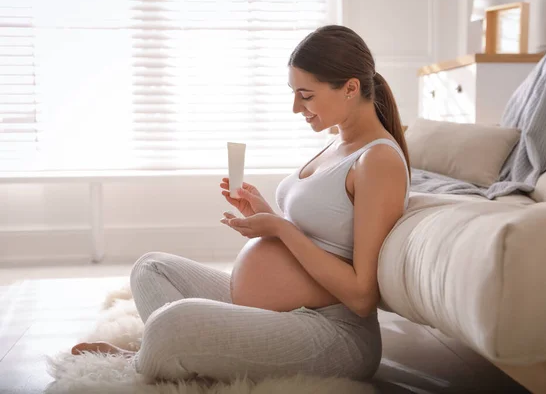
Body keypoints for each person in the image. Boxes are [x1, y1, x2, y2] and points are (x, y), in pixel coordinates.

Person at [71, 25, 411, 383]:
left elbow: (361, 296)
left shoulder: (378, 162)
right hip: (283, 310)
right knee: (151, 268)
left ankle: (145, 359)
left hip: (334, 333)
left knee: (173, 323)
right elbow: (322, 234)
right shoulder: (338, 143)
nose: (296, 108)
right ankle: (180, 352)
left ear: (350, 88)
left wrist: (280, 228)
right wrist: (265, 212)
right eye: (294, 94)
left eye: (305, 95)